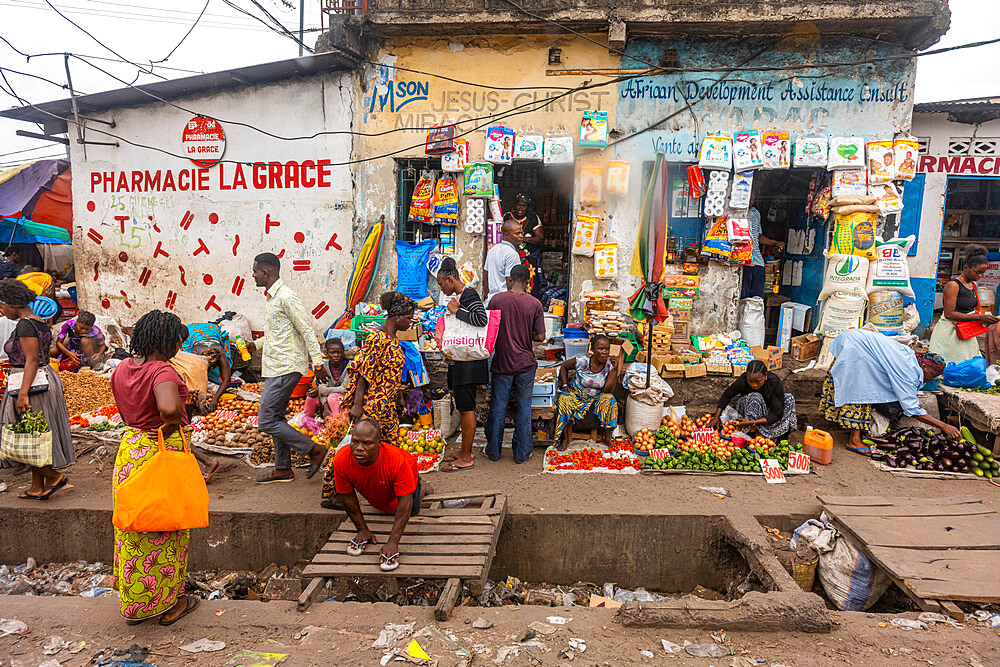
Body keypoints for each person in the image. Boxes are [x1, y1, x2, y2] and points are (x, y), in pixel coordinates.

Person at [109, 310, 201, 626]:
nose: (179, 346)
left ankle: (135, 602)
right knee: (165, 529)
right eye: (178, 340)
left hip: (130, 452)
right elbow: (169, 408)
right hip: (158, 453)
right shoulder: (162, 371)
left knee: (133, 527)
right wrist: (171, 424)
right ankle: (169, 603)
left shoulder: (122, 368)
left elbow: (125, 409)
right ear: (167, 340)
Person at [252, 253, 330, 484]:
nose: (253, 275)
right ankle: (283, 469)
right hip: (276, 366)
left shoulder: (286, 296)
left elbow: (306, 329)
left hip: (285, 367)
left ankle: (313, 449)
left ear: (266, 273)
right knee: (276, 417)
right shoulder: (272, 299)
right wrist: (254, 344)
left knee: (266, 420)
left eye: (255, 271)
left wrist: (317, 362)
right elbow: (278, 335)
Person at [820, 328, 958, 454]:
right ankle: (854, 441)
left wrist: (912, 403)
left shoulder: (911, 357)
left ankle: (849, 429)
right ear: (926, 368)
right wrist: (944, 426)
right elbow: (911, 408)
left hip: (853, 339)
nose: (930, 379)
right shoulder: (909, 372)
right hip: (856, 349)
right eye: (933, 376)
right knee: (858, 392)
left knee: (857, 385)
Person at [0, 279, 73, 499]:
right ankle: (36, 486)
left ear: (13, 304)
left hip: (30, 382)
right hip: (41, 378)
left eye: (2, 305)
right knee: (33, 434)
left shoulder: (24, 324)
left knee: (20, 432)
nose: (1, 310)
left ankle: (53, 477)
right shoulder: (38, 321)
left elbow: (31, 359)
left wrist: (23, 393)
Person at [331, 418, 428, 572]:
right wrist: (362, 530)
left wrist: (392, 542)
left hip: (407, 475)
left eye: (367, 443)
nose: (359, 448)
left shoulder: (397, 461)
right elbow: (347, 496)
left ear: (378, 443)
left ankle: (421, 486)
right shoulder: (342, 459)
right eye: (355, 441)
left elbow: (404, 503)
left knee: (412, 510)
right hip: (379, 486)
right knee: (383, 506)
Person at [486, 264, 544, 464]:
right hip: (525, 364)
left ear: (510, 280)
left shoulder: (496, 300)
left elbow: (489, 330)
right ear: (528, 282)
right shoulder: (535, 304)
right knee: (524, 408)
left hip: (502, 363)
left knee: (498, 407)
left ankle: (493, 451)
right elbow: (540, 337)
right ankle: (522, 453)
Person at [337, 291, 414, 444]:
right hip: (372, 405)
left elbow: (390, 373)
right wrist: (357, 405)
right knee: (364, 446)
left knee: (387, 447)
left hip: (387, 405)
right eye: (408, 318)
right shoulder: (377, 338)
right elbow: (362, 372)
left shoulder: (393, 338)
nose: (410, 323)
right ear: (397, 317)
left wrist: (399, 398)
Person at [436, 257, 488, 472]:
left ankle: (466, 457)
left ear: (450, 279)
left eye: (441, 284)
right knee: (463, 406)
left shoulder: (469, 294)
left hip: (468, 364)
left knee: (467, 409)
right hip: (461, 362)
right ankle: (464, 450)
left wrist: (457, 311)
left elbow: (481, 319)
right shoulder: (461, 296)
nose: (441, 289)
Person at [929, 244, 998, 364]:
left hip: (965, 333)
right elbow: (949, 314)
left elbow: (971, 309)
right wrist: (980, 317)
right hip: (949, 333)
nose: (980, 276)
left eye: (982, 273)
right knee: (946, 366)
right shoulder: (953, 286)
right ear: (966, 267)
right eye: (978, 272)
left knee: (965, 367)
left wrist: (984, 319)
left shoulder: (973, 285)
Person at [555, 334, 618, 450]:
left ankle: (608, 437)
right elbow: (563, 366)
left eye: (607, 349)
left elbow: (608, 390)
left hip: (596, 398)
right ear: (592, 349)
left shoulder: (610, 365)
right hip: (577, 395)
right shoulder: (582, 361)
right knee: (564, 399)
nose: (605, 352)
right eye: (601, 348)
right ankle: (564, 438)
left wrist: (615, 369)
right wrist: (564, 385)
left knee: (610, 399)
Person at [709, 360, 797, 440]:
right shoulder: (743, 380)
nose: (754, 385)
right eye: (750, 381)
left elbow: (777, 413)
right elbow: (727, 395)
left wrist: (752, 422)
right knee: (755, 396)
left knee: (789, 398)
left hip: (767, 411)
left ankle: (782, 435)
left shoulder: (774, 382)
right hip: (747, 409)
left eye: (758, 381)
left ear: (765, 376)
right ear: (747, 376)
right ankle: (752, 434)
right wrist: (716, 417)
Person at [182, 322, 232, 413]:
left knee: (222, 373)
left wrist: (215, 399)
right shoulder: (195, 355)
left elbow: (227, 379)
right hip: (193, 332)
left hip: (211, 330)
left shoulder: (220, 352)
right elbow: (192, 379)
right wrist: (199, 401)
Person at [504, 194, 545, 296]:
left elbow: (540, 238)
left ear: (528, 207)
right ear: (515, 205)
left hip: (528, 259)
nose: (520, 208)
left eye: (524, 206)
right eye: (519, 205)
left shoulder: (533, 218)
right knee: (511, 282)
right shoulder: (507, 217)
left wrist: (525, 239)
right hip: (510, 257)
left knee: (529, 284)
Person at [741, 206, 783, 302]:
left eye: (753, 194)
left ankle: (754, 317)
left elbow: (759, 238)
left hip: (758, 262)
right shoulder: (736, 212)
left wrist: (776, 243)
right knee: (743, 298)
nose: (751, 197)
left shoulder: (756, 213)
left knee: (757, 300)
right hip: (743, 261)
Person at [304, 338, 350, 419]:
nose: (336, 355)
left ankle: (338, 422)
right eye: (332, 353)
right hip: (326, 398)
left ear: (343, 353)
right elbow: (322, 387)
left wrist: (320, 390)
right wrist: (325, 407)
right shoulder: (323, 367)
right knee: (310, 398)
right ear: (327, 353)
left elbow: (344, 389)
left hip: (343, 399)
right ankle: (308, 422)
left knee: (332, 397)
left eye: (339, 352)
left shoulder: (350, 366)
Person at [483, 219, 523, 306]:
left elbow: (485, 277)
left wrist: (488, 297)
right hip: (506, 303)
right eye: (517, 233)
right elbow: (510, 283)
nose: (521, 236)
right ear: (507, 235)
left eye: (521, 233)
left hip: (491, 300)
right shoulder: (512, 254)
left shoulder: (492, 250)